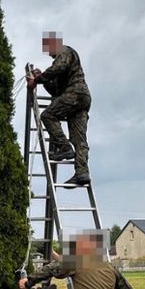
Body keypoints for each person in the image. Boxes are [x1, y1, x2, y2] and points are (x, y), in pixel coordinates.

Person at [30, 31, 91, 187]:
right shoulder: (62, 63)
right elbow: (56, 91)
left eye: (49, 49)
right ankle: (82, 173)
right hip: (81, 99)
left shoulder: (64, 51)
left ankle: (64, 148)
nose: (49, 53)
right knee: (79, 139)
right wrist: (42, 79)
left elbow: (58, 67)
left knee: (48, 115)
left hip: (76, 92)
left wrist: (37, 79)